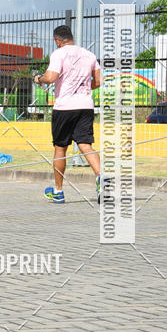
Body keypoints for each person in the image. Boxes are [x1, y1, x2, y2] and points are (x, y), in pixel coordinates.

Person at [34, 24, 102, 204]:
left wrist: (38, 78)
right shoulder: (89, 55)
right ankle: (101, 176)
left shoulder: (59, 54)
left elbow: (50, 77)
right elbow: (98, 81)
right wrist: (84, 88)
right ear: (71, 37)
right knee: (86, 145)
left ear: (57, 41)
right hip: (86, 105)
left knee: (60, 148)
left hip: (64, 107)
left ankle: (58, 191)